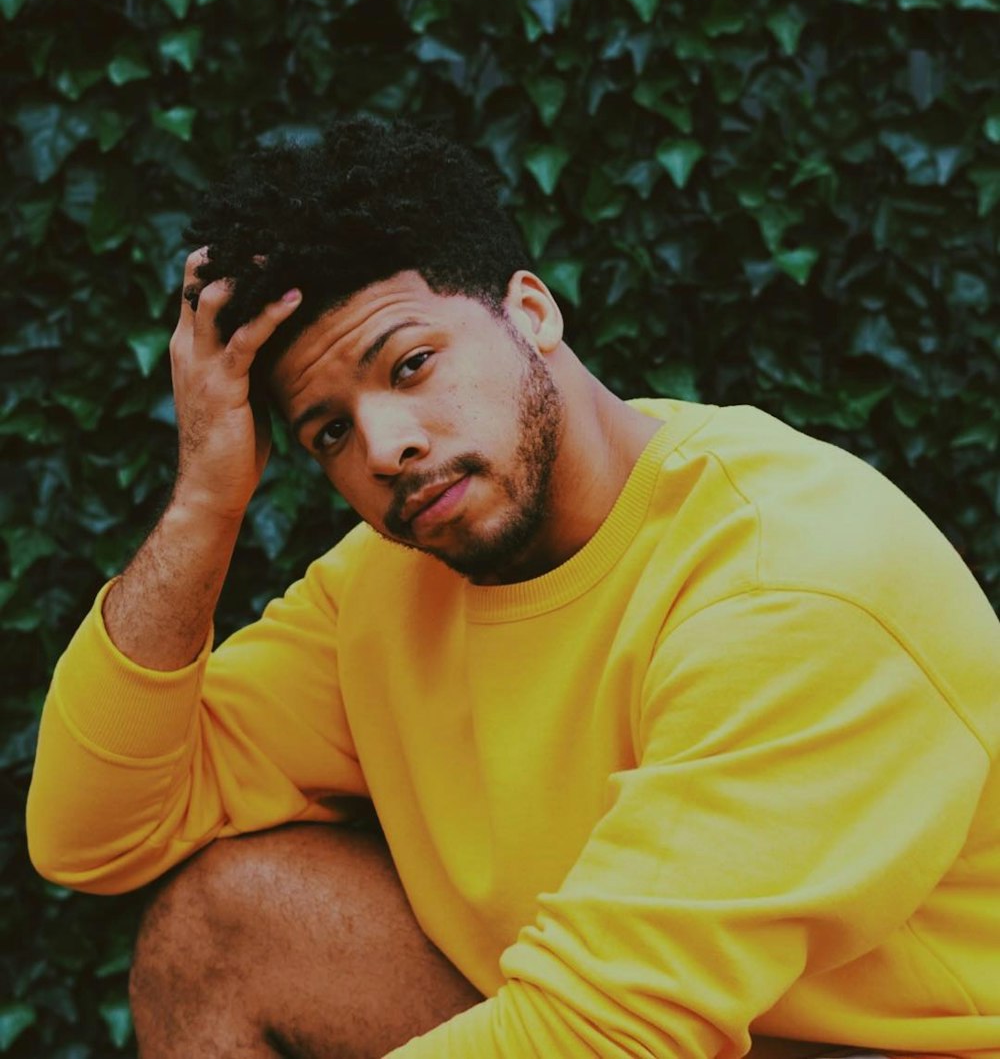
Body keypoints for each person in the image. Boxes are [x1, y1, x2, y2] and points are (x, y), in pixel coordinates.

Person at [26, 118, 1000, 1059]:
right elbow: (94, 833)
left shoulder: (790, 587)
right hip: (618, 1019)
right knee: (222, 925)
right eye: (328, 431)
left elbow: (599, 1037)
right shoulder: (386, 585)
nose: (384, 445)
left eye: (411, 364)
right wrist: (204, 499)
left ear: (530, 311)